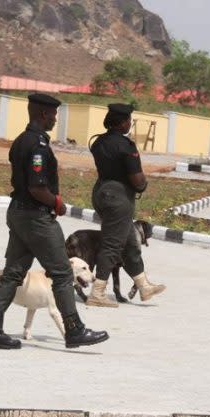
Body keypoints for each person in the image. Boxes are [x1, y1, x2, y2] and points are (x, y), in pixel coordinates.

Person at [0, 93, 109, 350]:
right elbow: (37, 187)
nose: (55, 119)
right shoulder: (37, 145)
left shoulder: (20, 141)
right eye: (52, 114)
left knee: (13, 272)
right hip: (36, 216)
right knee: (61, 272)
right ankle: (74, 330)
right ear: (42, 114)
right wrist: (56, 203)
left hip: (18, 213)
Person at [86, 103, 165, 308]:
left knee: (129, 240)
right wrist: (143, 185)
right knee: (112, 244)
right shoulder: (126, 146)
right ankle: (98, 293)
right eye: (129, 120)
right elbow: (138, 181)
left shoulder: (98, 142)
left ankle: (144, 286)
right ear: (122, 122)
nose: (130, 123)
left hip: (101, 191)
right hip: (119, 197)